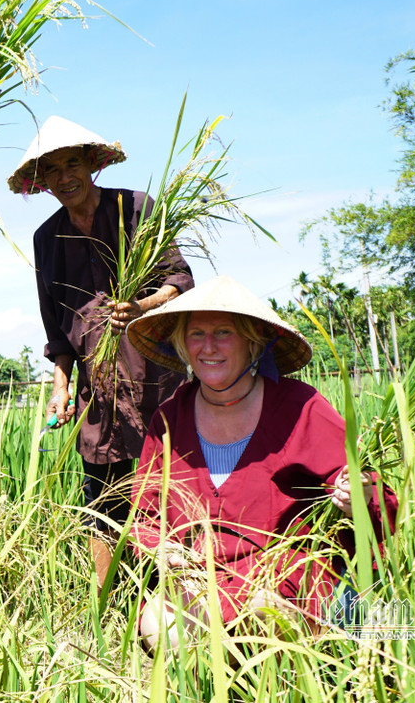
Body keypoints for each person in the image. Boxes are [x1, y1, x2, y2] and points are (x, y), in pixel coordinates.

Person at [124, 274, 398, 647]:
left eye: (223, 332)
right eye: (196, 334)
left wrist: (356, 496)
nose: (209, 347)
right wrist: (165, 552)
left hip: (284, 577)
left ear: (253, 342)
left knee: (263, 622)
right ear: (182, 345)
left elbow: (369, 488)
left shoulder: (301, 407)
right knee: (161, 629)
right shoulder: (169, 419)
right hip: (197, 580)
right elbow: (144, 516)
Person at [8, 116, 193, 587]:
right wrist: (61, 385)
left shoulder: (136, 207)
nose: (65, 177)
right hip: (96, 385)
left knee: (169, 484)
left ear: (92, 163)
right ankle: (107, 606)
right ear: (42, 181)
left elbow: (180, 281)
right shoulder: (46, 239)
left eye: (73, 163)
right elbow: (58, 325)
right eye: (52, 170)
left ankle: (178, 596)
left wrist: (141, 307)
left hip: (156, 371)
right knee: (102, 497)